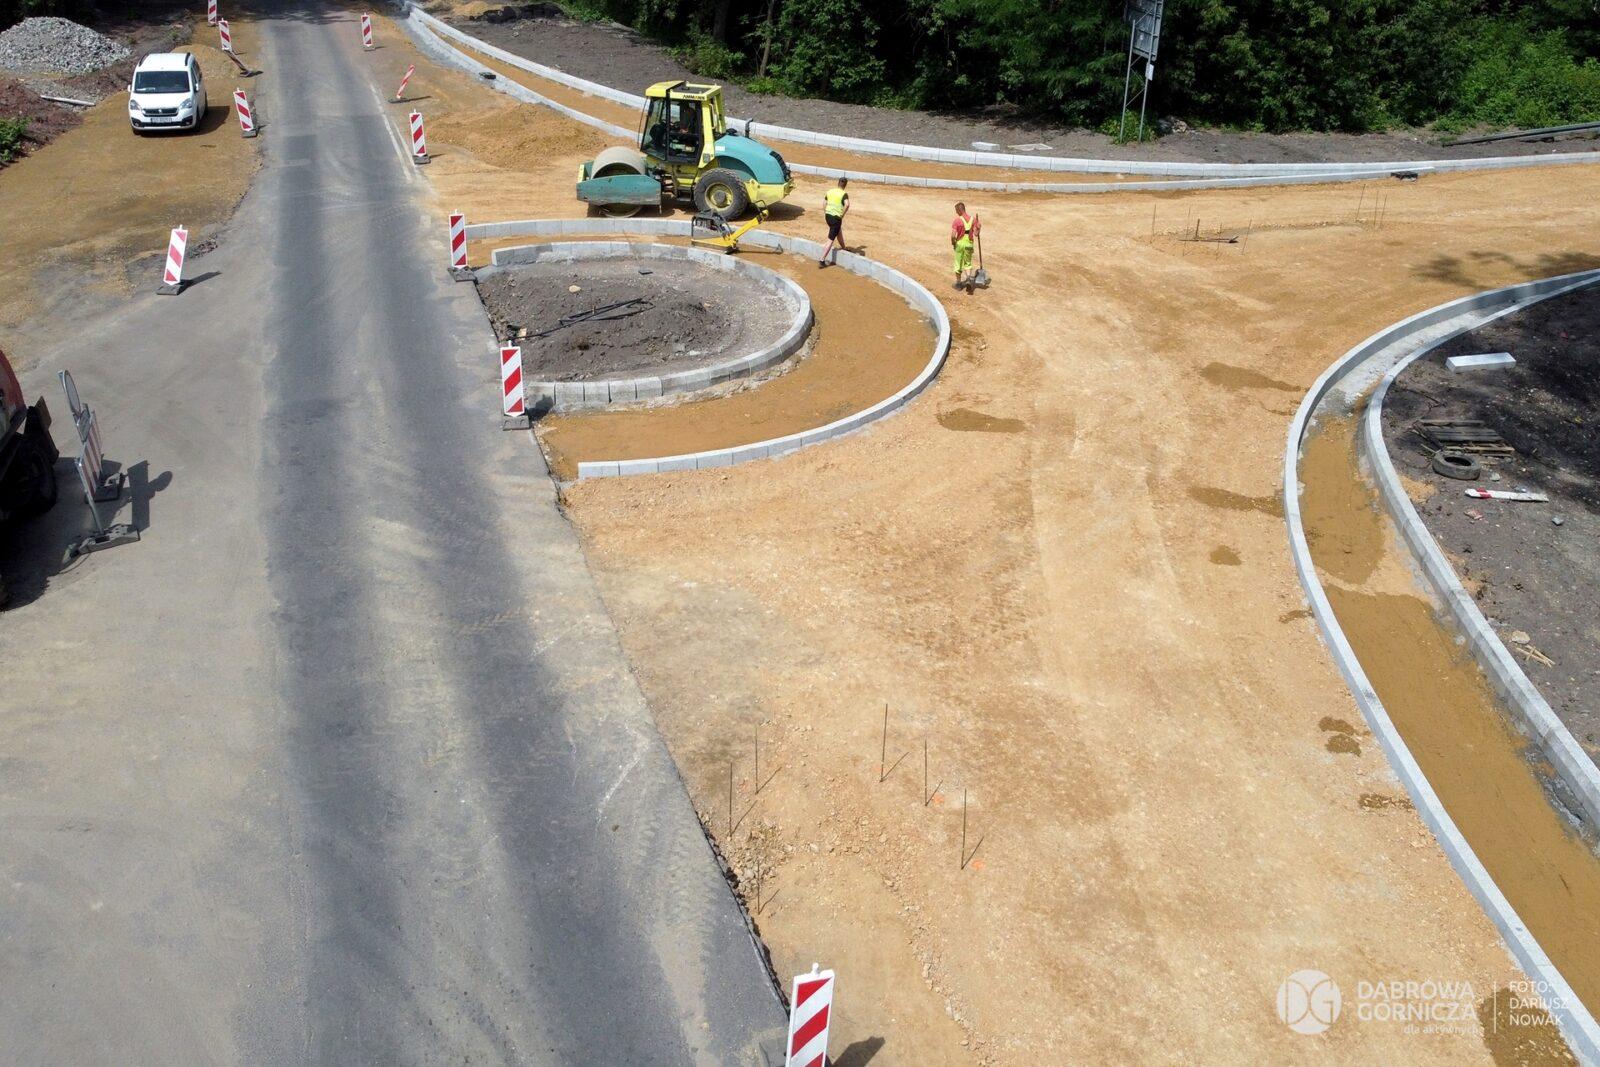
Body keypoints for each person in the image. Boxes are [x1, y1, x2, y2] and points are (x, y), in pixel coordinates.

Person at [819, 177, 849, 267]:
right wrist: (842, 215)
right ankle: (822, 259)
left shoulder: (830, 191)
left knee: (838, 231)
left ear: (838, 183)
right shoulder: (844, 194)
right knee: (830, 240)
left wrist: (826, 211)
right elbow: (847, 204)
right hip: (836, 218)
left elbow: (824, 202)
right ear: (845, 185)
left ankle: (844, 247)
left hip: (828, 216)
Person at [951, 202, 980, 290]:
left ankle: (959, 284)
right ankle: (968, 279)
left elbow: (953, 235)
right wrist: (979, 228)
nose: (956, 213)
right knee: (967, 263)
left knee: (958, 263)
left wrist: (953, 242)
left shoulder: (957, 220)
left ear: (960, 210)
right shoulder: (973, 219)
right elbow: (976, 234)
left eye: (957, 211)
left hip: (959, 244)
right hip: (969, 244)